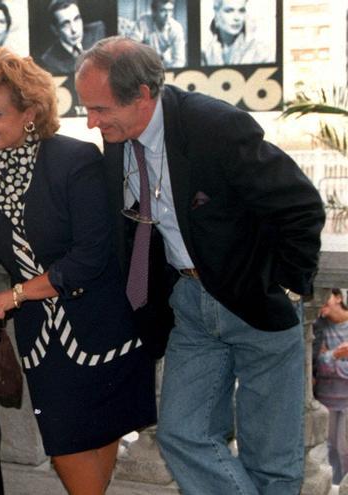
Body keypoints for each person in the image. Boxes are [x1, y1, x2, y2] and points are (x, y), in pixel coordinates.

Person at [75, 37, 325, 493]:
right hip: (189, 307)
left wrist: (287, 286)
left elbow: (302, 207)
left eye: (100, 109)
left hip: (255, 303)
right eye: (87, 109)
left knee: (272, 459)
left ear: (143, 96)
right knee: (180, 435)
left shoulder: (214, 126)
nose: (91, 122)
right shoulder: (118, 138)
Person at [0, 47, 155, 494]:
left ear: (30, 112)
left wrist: (10, 297)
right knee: (66, 447)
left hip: (103, 328)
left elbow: (91, 255)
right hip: (43, 342)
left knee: (93, 454)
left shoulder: (75, 160)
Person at [313, 288, 348, 484]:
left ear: (338, 297)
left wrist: (330, 360)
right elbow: (318, 365)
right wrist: (336, 354)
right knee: (327, 451)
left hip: (346, 401)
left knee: (345, 450)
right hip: (325, 400)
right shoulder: (319, 326)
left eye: (326, 295)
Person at [38, 0, 105, 74]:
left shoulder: (98, 31)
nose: (74, 30)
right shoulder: (49, 61)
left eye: (76, 19)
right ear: (55, 30)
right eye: (65, 24)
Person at [202, 0, 272, 66]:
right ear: (217, 14)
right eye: (229, 11)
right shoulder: (205, 53)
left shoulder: (260, 53)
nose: (237, 18)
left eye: (241, 11)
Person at [128, 0, 185, 68]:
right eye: (163, 10)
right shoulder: (143, 21)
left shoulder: (176, 28)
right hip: (145, 63)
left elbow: (179, 60)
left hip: (166, 65)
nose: (168, 15)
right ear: (153, 12)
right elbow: (131, 48)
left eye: (170, 10)